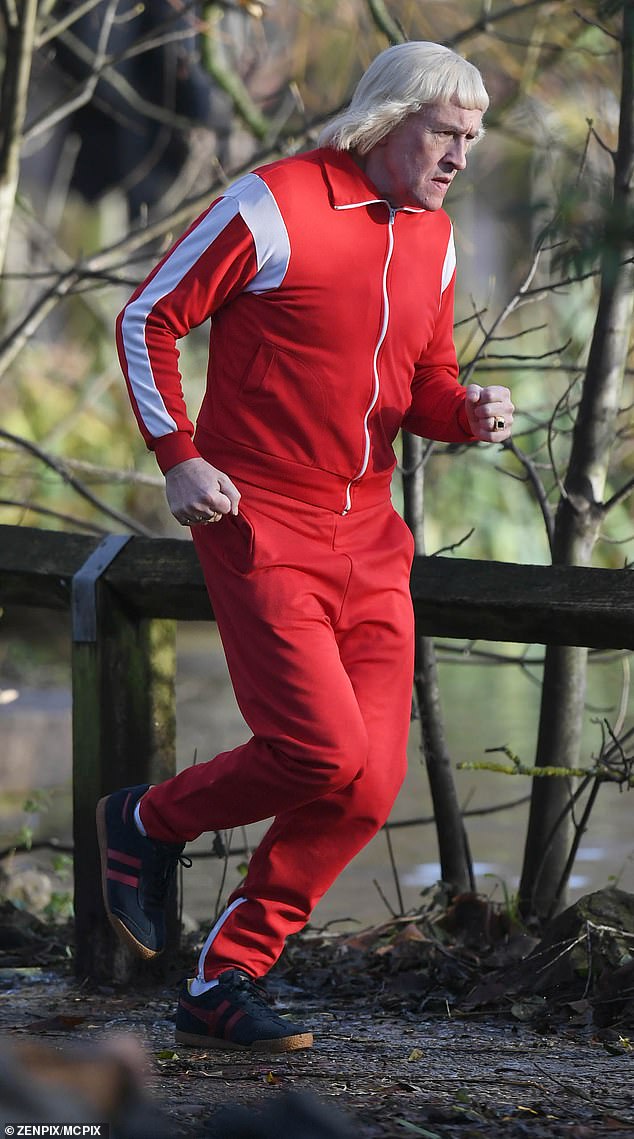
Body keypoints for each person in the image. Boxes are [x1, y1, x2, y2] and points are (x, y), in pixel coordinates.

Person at [97, 39, 514, 1054]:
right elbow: (150, 316)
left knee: (367, 782)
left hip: (371, 536)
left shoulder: (437, 237)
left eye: (473, 137)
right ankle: (147, 819)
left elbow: (423, 381)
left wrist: (466, 412)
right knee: (319, 746)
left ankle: (223, 976)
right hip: (262, 518)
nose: (460, 153)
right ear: (389, 117)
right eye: (446, 131)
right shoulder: (274, 203)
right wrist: (177, 455)